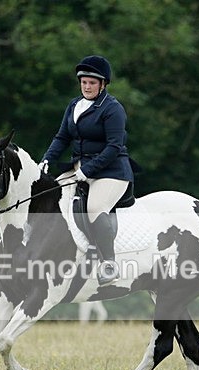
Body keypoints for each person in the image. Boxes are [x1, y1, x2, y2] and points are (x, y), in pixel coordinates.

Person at [38, 55, 134, 286]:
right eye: (84, 82)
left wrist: (89, 169)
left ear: (103, 85)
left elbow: (114, 146)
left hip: (112, 171)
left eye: (92, 83)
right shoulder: (74, 105)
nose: (87, 87)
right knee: (49, 196)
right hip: (80, 168)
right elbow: (62, 137)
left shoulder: (113, 109)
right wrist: (46, 160)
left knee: (94, 207)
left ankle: (109, 264)